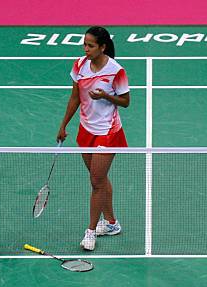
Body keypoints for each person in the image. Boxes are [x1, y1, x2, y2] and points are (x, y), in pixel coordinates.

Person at [56, 26, 130, 251]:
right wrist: (63, 125)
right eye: (84, 44)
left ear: (102, 47)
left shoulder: (116, 71)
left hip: (108, 132)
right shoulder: (79, 65)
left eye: (90, 45)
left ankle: (90, 231)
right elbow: (74, 97)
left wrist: (106, 96)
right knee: (98, 179)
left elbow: (126, 101)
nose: (85, 49)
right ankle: (112, 223)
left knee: (96, 182)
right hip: (85, 129)